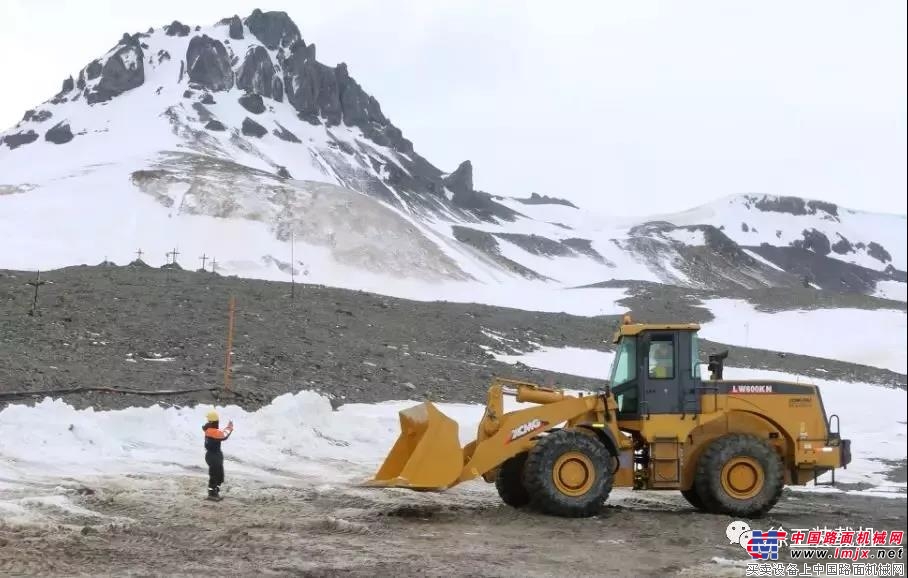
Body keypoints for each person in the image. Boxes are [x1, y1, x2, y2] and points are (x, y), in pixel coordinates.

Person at [202, 410, 234, 499]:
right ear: (215, 422)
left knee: (220, 475)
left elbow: (219, 434)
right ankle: (211, 494)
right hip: (213, 456)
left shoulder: (210, 429)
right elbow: (224, 435)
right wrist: (230, 427)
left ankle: (216, 491)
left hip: (215, 455)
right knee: (214, 475)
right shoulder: (212, 431)